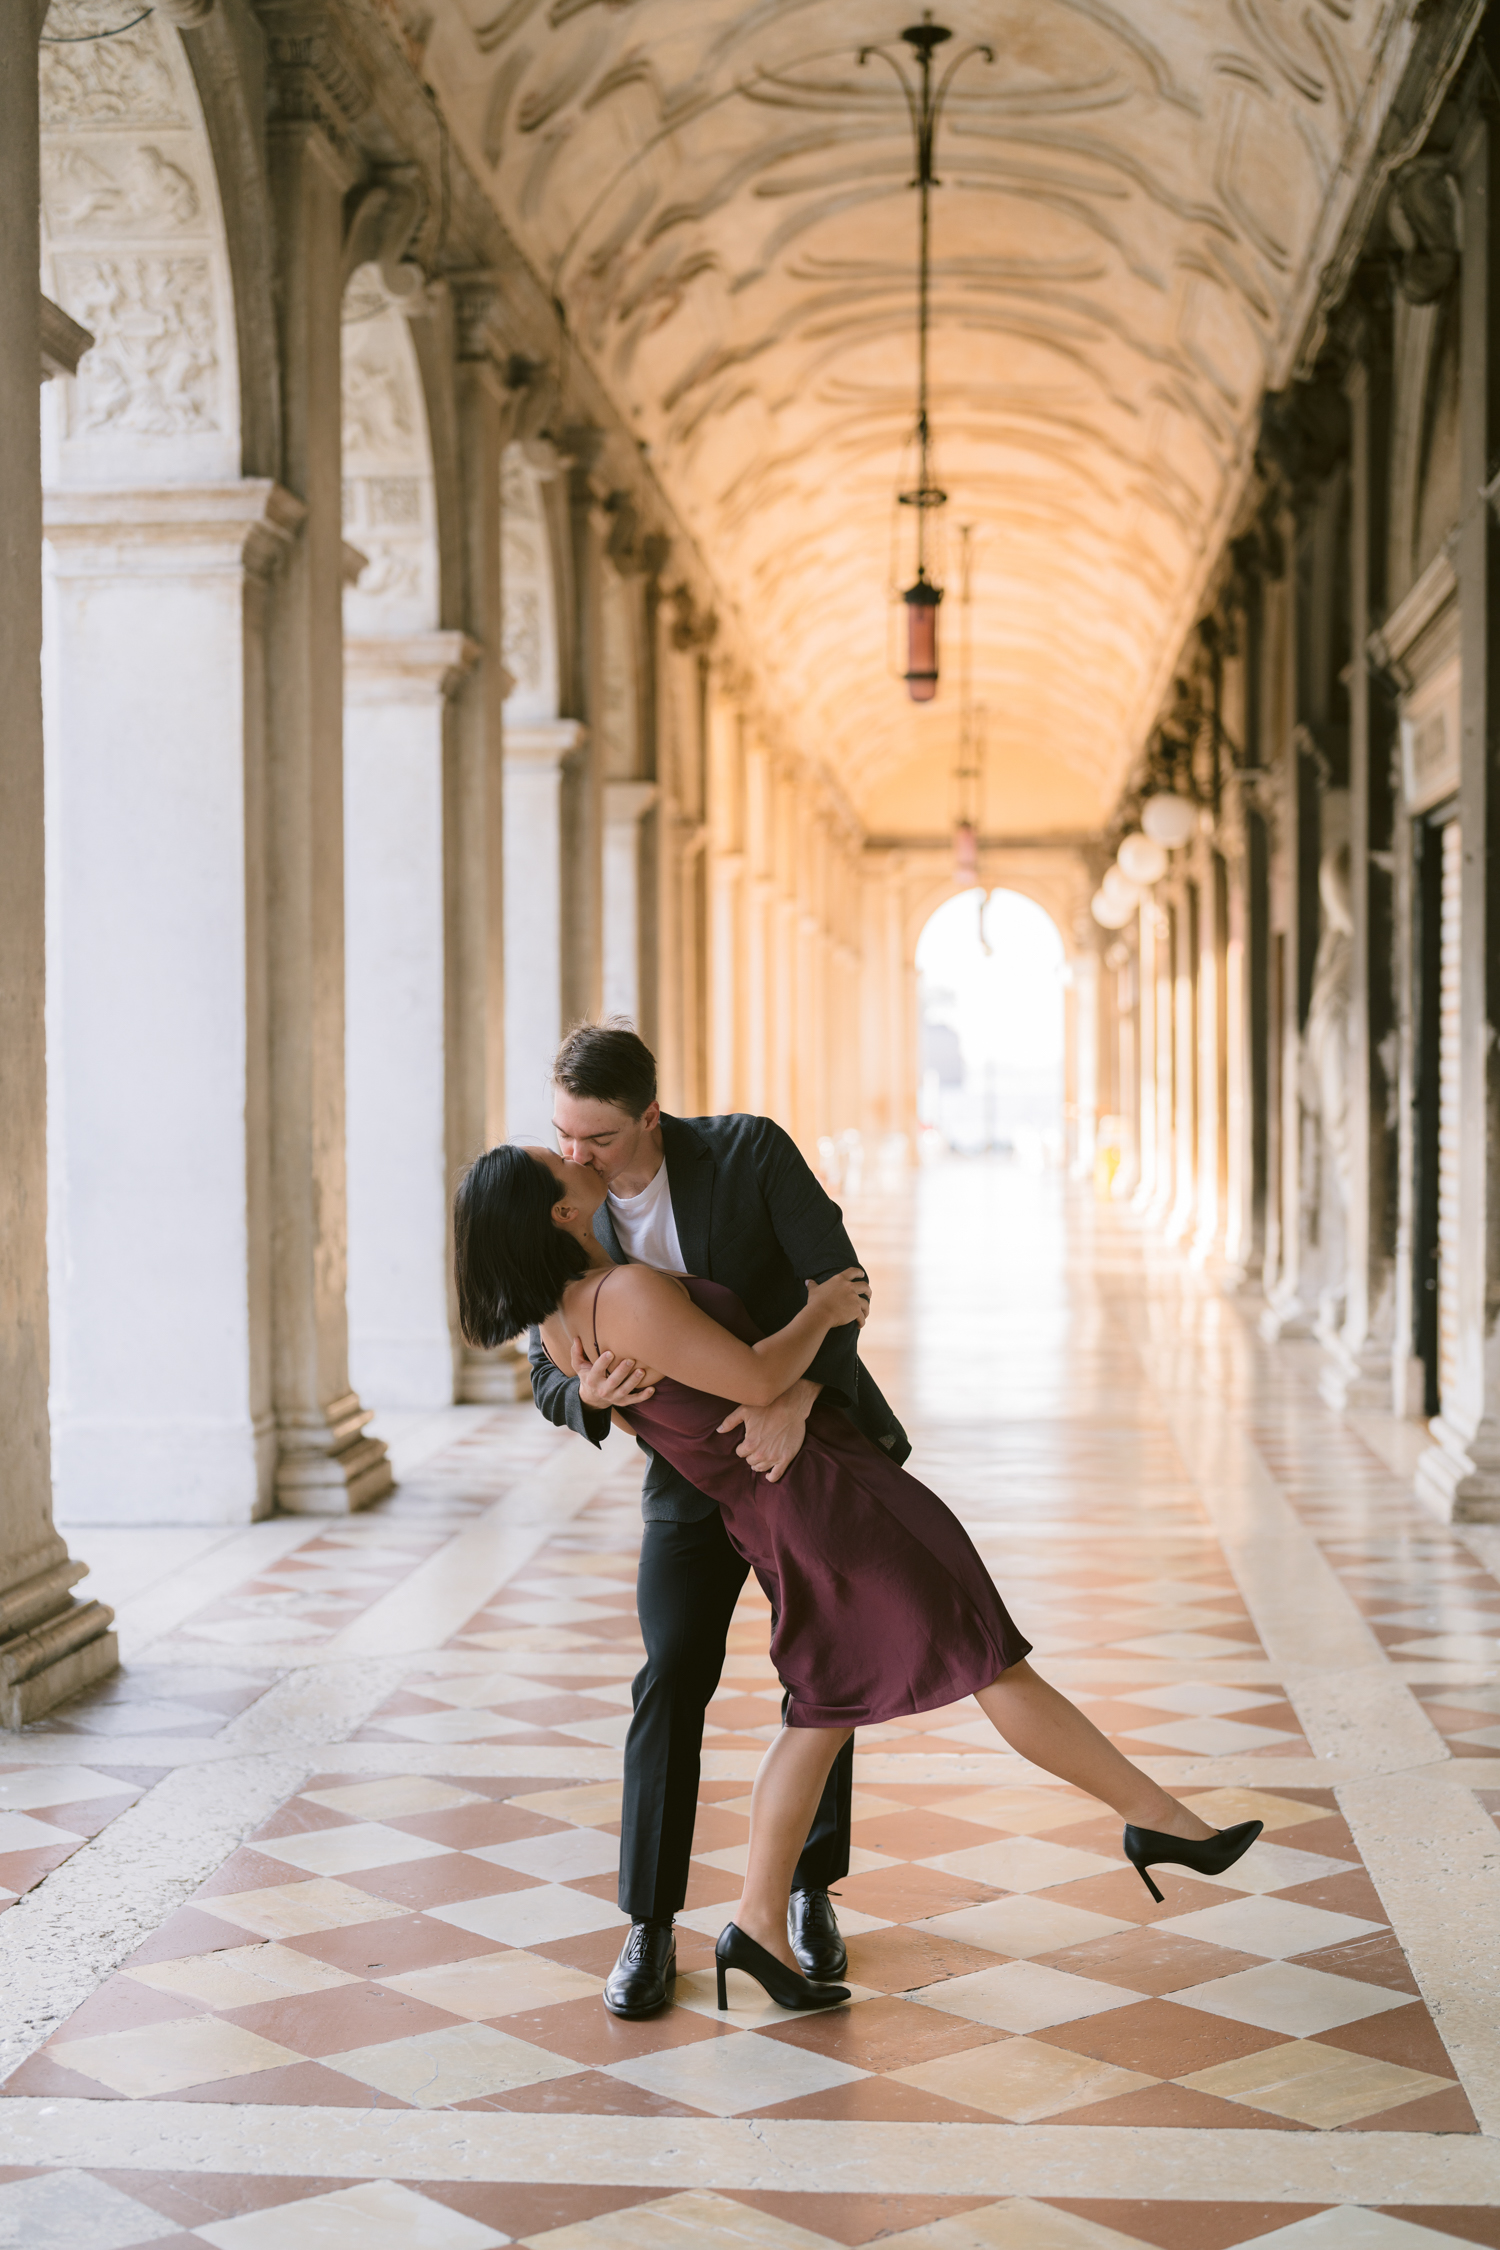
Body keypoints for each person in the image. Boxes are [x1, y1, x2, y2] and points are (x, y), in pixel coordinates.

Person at [456, 1141, 1264, 2016]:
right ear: (561, 1214)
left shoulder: (561, 1324)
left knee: (833, 1705)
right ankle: (1157, 1821)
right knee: (986, 1658)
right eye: (558, 1157)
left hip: (784, 1507)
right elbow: (763, 1376)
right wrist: (824, 1305)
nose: (572, 1151)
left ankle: (761, 1925)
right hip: (830, 1497)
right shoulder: (630, 1294)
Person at [525, 1023, 908, 2017]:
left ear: (651, 1116)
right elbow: (542, 1369)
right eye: (564, 1134)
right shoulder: (560, 1207)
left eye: (598, 1138)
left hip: (802, 1457)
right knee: (671, 1674)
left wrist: (796, 1402)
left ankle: (804, 1892)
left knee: (826, 1671)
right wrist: (592, 1398)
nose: (577, 1159)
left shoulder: (750, 1152)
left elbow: (845, 1288)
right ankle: (648, 1921)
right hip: (687, 1478)